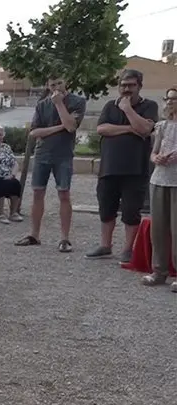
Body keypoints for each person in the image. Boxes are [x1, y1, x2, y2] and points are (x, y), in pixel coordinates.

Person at [88, 69, 159, 262]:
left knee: (131, 210)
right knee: (106, 207)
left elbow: (145, 129)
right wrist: (130, 128)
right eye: (123, 85)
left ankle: (128, 249)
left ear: (139, 86)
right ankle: (105, 245)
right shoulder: (110, 106)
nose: (126, 89)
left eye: (131, 85)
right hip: (109, 167)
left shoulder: (149, 106)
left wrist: (128, 110)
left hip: (136, 169)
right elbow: (102, 128)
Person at [15, 76, 86, 252]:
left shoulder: (77, 102)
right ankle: (34, 234)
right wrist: (58, 127)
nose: (56, 88)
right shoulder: (41, 105)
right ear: (47, 86)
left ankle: (64, 238)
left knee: (64, 194)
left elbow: (71, 126)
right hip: (42, 153)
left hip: (63, 155)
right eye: (52, 85)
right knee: (38, 192)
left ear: (66, 82)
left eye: (59, 83)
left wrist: (59, 104)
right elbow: (34, 132)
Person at [143, 87, 177, 291]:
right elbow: (153, 153)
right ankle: (159, 271)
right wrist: (157, 158)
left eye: (174, 98)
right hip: (159, 180)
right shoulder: (162, 126)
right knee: (158, 229)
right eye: (168, 99)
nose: (170, 102)